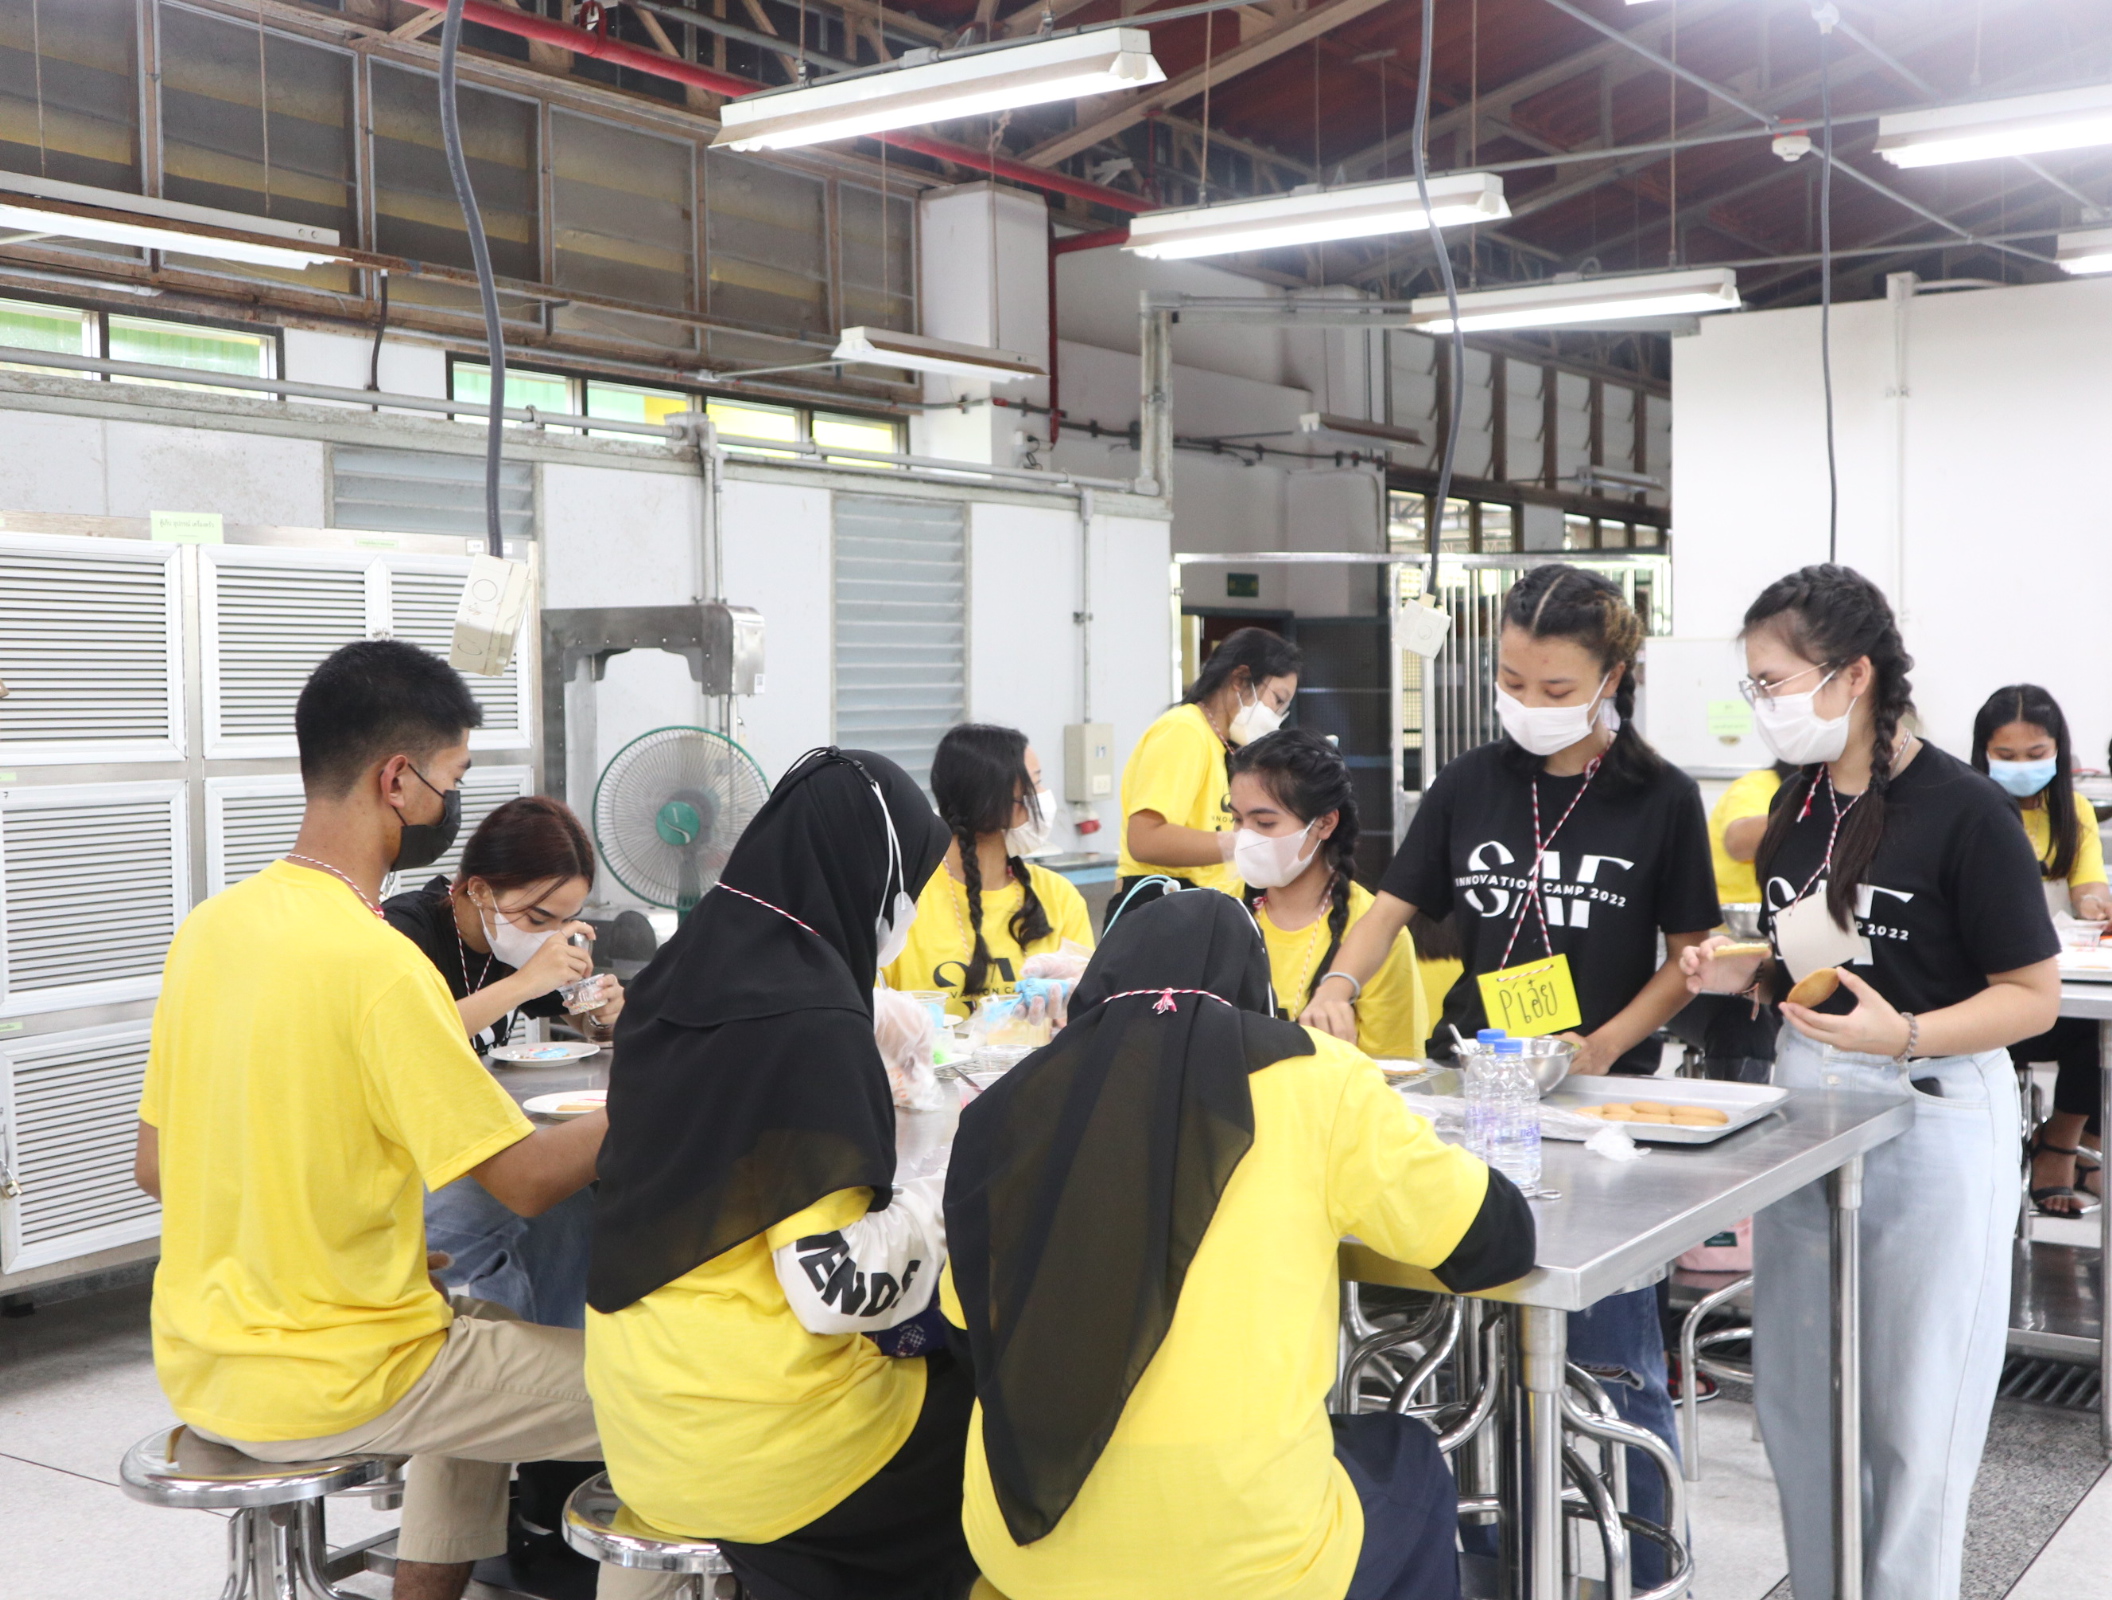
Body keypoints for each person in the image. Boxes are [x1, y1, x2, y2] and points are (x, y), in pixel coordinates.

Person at [135, 639, 675, 1600]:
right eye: (451, 780)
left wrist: (332, 1247)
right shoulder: (381, 963)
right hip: (337, 1378)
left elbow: (157, 1166)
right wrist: (677, 1083)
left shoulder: (210, 931)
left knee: (484, 1331)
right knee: (680, 1400)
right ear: (397, 779)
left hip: (202, 1365)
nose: (449, 805)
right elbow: (528, 1182)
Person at [1301, 563, 1721, 1579]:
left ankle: (1646, 1569)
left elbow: (1688, 961)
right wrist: (1337, 984)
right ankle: (1486, 1563)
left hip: (1601, 1110)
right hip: (1472, 1094)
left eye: (1555, 687)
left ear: (1612, 676)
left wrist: (1603, 1043)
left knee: (1614, 1358)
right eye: (1511, 681)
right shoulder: (1471, 783)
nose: (1529, 704)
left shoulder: (1661, 799)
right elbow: (1389, 908)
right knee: (1466, 1354)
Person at [941, 891, 1535, 1600]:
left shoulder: (1010, 1101)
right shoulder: (1319, 1078)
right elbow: (1492, 1241)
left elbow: (965, 1332)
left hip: (1024, 1546)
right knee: (1407, 1460)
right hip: (1243, 1554)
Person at [1683, 566, 2059, 1600]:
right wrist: (1744, 969)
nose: (1764, 704)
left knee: (1915, 1414)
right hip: (1811, 1107)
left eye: (1774, 682)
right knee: (1799, 1402)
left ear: (1853, 675)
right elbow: (1820, 958)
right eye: (1755, 684)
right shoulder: (1799, 801)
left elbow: (2031, 997)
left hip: (1933, 1112)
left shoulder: (1964, 810)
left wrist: (1909, 1034)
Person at [584, 747, 981, 1600]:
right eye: (910, 882)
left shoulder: (677, 978)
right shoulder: (812, 1024)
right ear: (869, 876)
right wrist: (946, 1193)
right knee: (997, 1415)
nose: (910, 907)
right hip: (767, 1451)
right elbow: (835, 1288)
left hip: (641, 1428)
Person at [383, 795, 621, 1330]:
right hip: (405, 1164)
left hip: (473, 1140)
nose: (549, 933)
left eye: (566, 920)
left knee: (580, 1193)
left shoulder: (510, 943)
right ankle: (529, 1352)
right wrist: (526, 982)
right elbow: (407, 1036)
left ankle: (545, 1343)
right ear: (479, 889)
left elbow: (579, 1018)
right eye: (538, 917)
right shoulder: (404, 932)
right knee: (534, 1211)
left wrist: (601, 1014)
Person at [1968, 685, 2110, 1215]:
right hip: (1982, 992)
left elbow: (2088, 890)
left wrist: (2094, 904)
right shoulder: (1969, 810)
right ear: (1983, 752)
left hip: (2054, 987)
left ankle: (2061, 1142)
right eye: (2005, 755)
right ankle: (2007, 1152)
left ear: (2058, 751)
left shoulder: (2074, 812)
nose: (2022, 767)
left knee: (2101, 1031)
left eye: (2036, 754)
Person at [1227, 727, 1430, 1057]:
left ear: (1324, 823)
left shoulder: (1375, 937)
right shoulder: (1219, 912)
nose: (1245, 838)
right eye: (1237, 819)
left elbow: (1394, 1072)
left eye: (1264, 823)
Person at [881, 724, 1094, 1018]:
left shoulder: (1058, 895)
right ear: (993, 800)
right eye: (1035, 783)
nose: (1044, 796)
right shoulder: (906, 898)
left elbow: (1087, 1005)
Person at [1115, 626, 1302, 913]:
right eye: (1277, 700)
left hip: (1208, 905)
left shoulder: (1226, 747)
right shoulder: (1184, 730)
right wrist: (1243, 844)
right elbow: (1145, 840)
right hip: (1163, 903)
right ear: (1240, 679)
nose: (1277, 717)